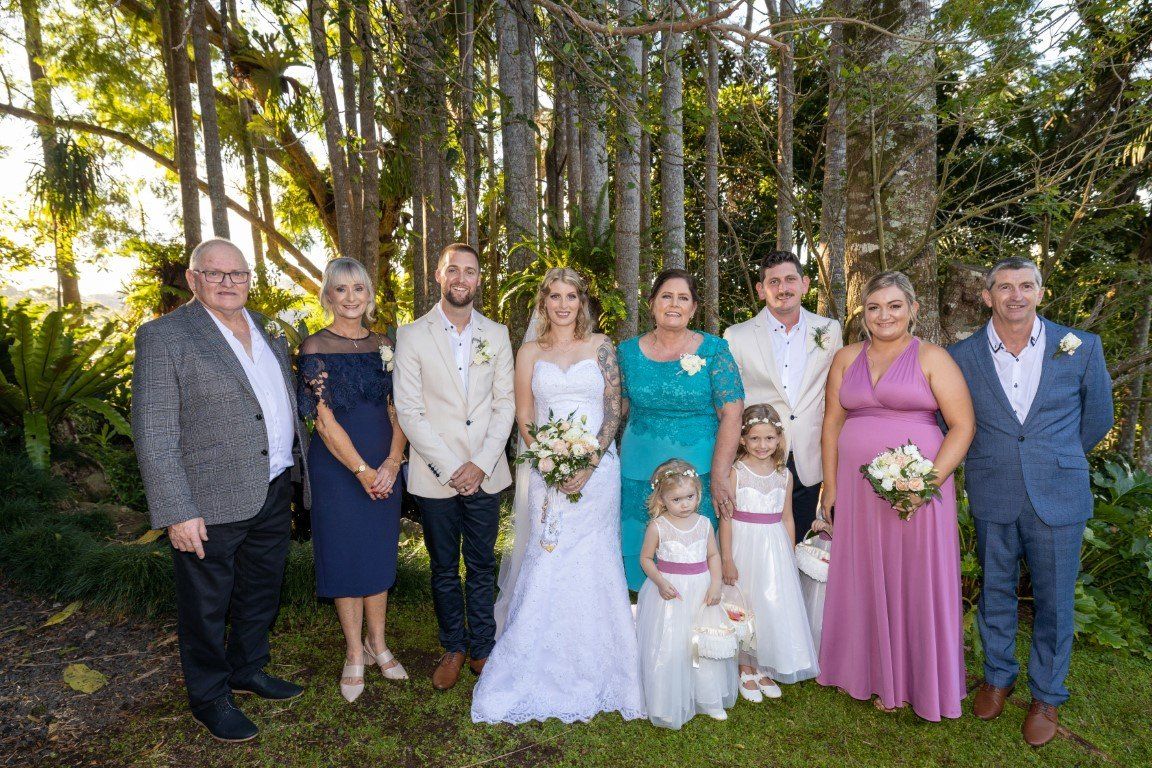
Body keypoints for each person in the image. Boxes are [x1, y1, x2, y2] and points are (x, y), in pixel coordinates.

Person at [132, 239, 309, 742]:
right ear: (193, 279)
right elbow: (154, 430)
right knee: (206, 604)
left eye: (237, 273)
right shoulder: (164, 337)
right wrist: (176, 510)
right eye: (215, 274)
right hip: (207, 501)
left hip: (273, 486)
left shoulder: (268, 332)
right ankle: (210, 696)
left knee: (260, 591)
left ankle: (247, 669)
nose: (229, 282)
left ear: (250, 278)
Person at [949, 257, 1113, 746]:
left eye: (1026, 285)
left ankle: (1047, 694)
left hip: (1058, 493)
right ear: (987, 296)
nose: (1015, 295)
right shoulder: (962, 354)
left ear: (1041, 292)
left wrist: (1055, 457)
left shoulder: (1080, 347)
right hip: (993, 488)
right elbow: (951, 420)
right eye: (1004, 287)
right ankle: (998, 676)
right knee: (994, 592)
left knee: (1056, 601)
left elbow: (1097, 418)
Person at [471, 268, 645, 724]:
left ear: (582, 301)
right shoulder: (528, 351)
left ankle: (603, 663)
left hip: (599, 470)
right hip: (546, 470)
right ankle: (538, 664)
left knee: (595, 559)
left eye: (571, 296)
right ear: (543, 302)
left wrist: (587, 462)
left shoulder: (601, 346)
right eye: (555, 296)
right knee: (548, 557)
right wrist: (548, 458)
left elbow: (614, 407)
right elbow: (525, 414)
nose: (563, 304)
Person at [817, 271, 975, 721]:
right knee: (864, 573)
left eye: (894, 306)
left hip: (915, 492)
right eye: (873, 307)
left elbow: (963, 427)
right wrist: (830, 484)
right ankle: (866, 673)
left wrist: (924, 486)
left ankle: (915, 681)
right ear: (862, 313)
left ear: (913, 309)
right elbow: (831, 423)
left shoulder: (933, 357)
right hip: (856, 488)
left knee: (914, 578)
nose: (883, 315)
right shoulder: (846, 357)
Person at [393, 242, 515, 691]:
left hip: (486, 470)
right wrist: (451, 467)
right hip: (434, 472)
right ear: (439, 276)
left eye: (470, 270)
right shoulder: (411, 335)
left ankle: (482, 647)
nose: (461, 278)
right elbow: (409, 409)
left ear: (479, 279)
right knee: (444, 567)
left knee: (482, 564)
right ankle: (453, 645)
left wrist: (480, 464)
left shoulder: (497, 334)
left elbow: (506, 405)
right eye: (453, 270)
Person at [297, 257, 409, 703]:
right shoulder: (313, 347)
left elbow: (400, 407)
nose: (350, 298)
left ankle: (378, 643)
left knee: (378, 555)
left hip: (385, 464)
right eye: (340, 289)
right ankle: (353, 652)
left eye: (358, 289)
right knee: (345, 554)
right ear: (327, 295)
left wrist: (393, 460)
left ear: (369, 295)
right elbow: (322, 422)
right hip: (340, 470)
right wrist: (362, 470)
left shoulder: (385, 343)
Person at [618, 269, 745, 590]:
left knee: (695, 563)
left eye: (683, 298)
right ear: (651, 304)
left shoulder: (715, 350)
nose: (674, 304)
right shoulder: (626, 353)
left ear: (693, 307)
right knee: (638, 559)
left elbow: (732, 413)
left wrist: (719, 476)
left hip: (698, 477)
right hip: (638, 473)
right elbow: (614, 410)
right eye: (666, 296)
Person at [725, 251, 843, 542]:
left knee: (801, 543)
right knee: (757, 541)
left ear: (805, 284)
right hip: (758, 455)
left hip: (809, 455)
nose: (783, 288)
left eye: (790, 279)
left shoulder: (829, 330)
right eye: (773, 281)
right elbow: (732, 404)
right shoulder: (736, 336)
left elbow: (836, 396)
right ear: (760, 289)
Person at [720, 404, 819, 704]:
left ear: (778, 439)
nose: (761, 446)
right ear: (742, 440)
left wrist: (789, 553)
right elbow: (726, 517)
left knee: (768, 602)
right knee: (744, 600)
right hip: (742, 542)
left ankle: (761, 664)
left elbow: (787, 516)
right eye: (754, 439)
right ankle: (742, 664)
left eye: (768, 439)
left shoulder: (783, 475)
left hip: (773, 546)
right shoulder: (736, 472)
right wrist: (726, 558)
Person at [635, 459, 735, 728]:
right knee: (671, 644)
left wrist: (716, 583)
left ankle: (707, 697)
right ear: (662, 499)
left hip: (701, 591)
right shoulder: (658, 526)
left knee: (702, 643)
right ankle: (666, 700)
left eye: (690, 497)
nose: (685, 504)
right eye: (676, 499)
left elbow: (713, 554)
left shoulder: (703, 524)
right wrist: (659, 581)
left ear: (698, 494)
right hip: (671, 593)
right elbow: (645, 559)